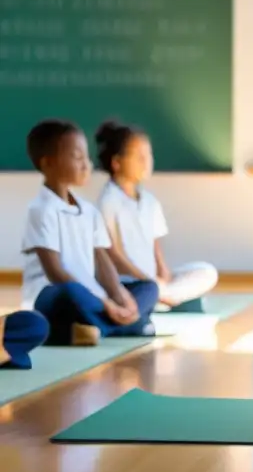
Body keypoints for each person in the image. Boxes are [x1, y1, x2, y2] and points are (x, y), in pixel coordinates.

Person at [22, 119, 159, 346]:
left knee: (149, 288)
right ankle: (123, 326)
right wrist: (107, 305)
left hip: (93, 296)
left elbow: (101, 259)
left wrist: (120, 296)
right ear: (48, 163)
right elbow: (55, 273)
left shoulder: (89, 210)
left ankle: (94, 329)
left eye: (87, 157)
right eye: (77, 157)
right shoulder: (41, 210)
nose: (87, 165)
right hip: (53, 296)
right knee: (71, 293)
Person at [94, 120, 219, 313]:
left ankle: (161, 298)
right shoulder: (108, 201)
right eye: (139, 156)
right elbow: (112, 254)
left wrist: (163, 272)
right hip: (128, 281)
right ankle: (159, 298)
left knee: (206, 272)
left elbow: (155, 245)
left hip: (152, 281)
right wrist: (145, 279)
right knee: (141, 289)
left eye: (148, 154)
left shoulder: (149, 200)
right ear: (117, 162)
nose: (147, 162)